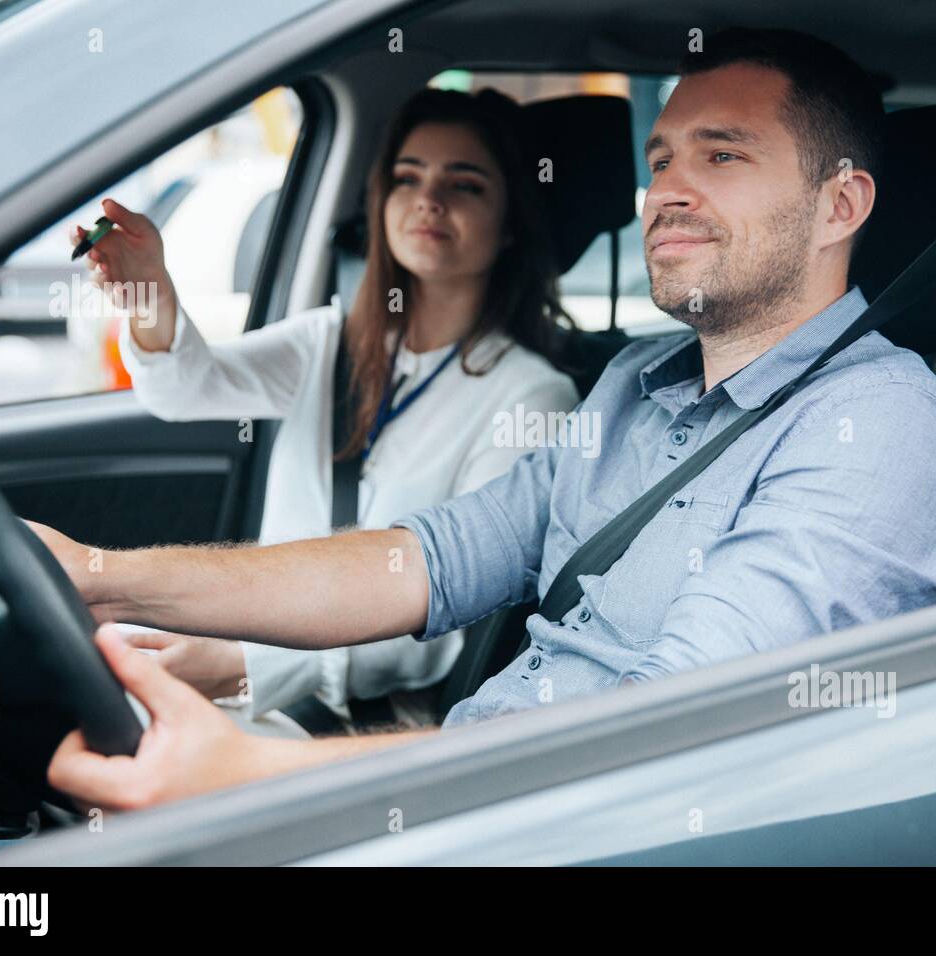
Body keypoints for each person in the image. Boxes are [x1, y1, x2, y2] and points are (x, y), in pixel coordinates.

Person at [0, 28, 936, 813]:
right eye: (661, 158)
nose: (666, 189)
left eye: (722, 155)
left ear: (839, 206)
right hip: (479, 787)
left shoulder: (881, 430)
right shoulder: (633, 383)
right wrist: (102, 572)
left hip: (573, 821)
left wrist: (253, 774)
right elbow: (422, 560)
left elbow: (661, 737)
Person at [75, 87, 580, 733]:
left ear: (510, 221)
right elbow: (186, 389)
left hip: (358, 720)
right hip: (261, 680)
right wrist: (149, 293)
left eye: (467, 185)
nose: (429, 199)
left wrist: (240, 664)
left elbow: (449, 611)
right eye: (408, 177)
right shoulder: (330, 343)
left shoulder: (532, 398)